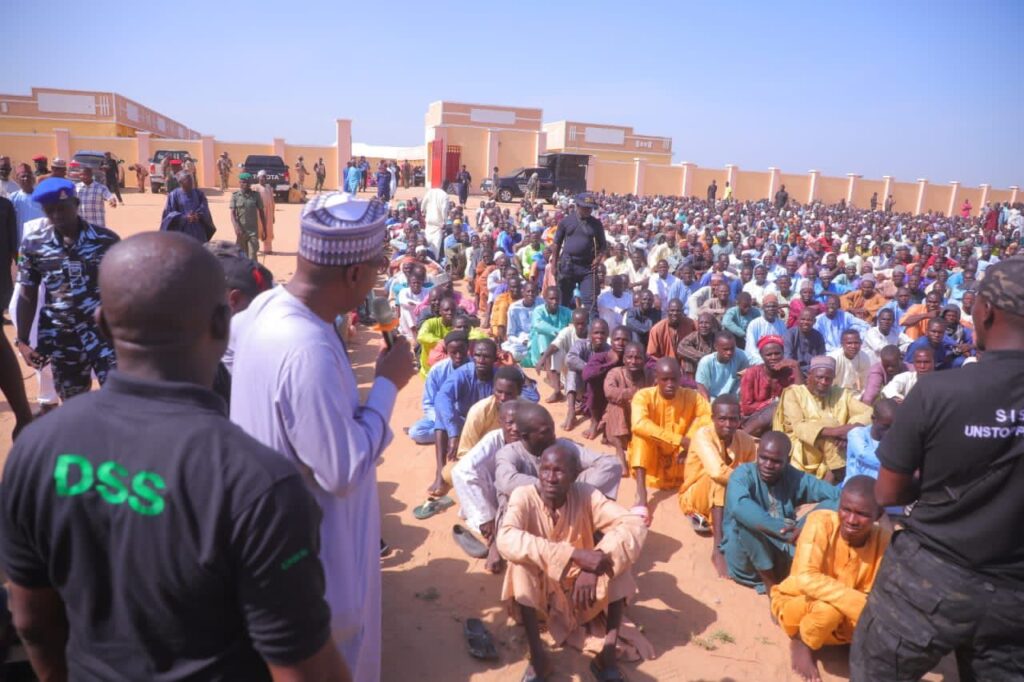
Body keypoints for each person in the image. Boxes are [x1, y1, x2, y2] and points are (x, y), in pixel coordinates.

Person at [0, 232, 349, 680]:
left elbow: (31, 622)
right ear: (224, 324)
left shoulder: (36, 449)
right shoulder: (259, 485)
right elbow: (304, 669)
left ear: (102, 323)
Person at [230, 192, 416, 682]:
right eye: (376, 266)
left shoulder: (264, 308)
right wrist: (385, 386)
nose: (378, 277)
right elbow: (342, 468)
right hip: (322, 562)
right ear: (355, 273)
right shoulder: (306, 347)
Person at [851, 259, 1024, 681]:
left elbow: (888, 494)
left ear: (983, 311)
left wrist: (941, 482)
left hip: (930, 580)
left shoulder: (935, 392)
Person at [497, 444, 649, 682]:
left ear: (574, 475)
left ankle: (607, 657)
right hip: (540, 602)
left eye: (559, 471)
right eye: (545, 469)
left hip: (582, 597)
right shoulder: (524, 496)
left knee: (616, 561)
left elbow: (633, 524)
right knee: (520, 565)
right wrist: (574, 555)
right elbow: (506, 539)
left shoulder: (586, 494)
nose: (550, 478)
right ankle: (538, 659)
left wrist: (596, 562)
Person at [770, 477, 890, 682]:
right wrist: (862, 606)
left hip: (847, 615)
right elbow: (806, 578)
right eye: (846, 509)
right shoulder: (820, 522)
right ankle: (802, 642)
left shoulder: (884, 541)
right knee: (829, 611)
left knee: (884, 626)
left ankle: (848, 640)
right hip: (800, 603)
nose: (851, 519)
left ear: (877, 515)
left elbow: (882, 592)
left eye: (862, 514)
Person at [15, 178, 119, 401]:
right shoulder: (33, 244)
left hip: (105, 336)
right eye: (49, 210)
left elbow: (125, 290)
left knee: (120, 401)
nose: (56, 215)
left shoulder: (106, 241)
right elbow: (27, 292)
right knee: (73, 404)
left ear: (76, 202)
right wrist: (22, 341)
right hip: (62, 339)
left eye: (62, 208)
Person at [721, 432, 840, 594]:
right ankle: (771, 588)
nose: (768, 465)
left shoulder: (793, 476)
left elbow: (838, 497)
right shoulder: (742, 475)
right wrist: (785, 533)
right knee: (748, 521)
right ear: (757, 454)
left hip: (784, 552)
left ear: (787, 460)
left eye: (776, 461)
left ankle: (799, 566)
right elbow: (739, 507)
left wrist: (804, 531)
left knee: (834, 506)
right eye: (763, 458)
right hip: (748, 563)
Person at [678, 395, 758, 574]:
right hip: (695, 496)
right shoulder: (702, 435)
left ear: (740, 419)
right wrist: (744, 483)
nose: (728, 424)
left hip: (731, 495)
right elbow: (717, 472)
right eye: (722, 419)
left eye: (733, 419)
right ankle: (718, 547)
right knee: (718, 481)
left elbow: (752, 474)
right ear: (713, 418)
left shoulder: (747, 441)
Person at [628, 357, 712, 523]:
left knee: (706, 435)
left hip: (679, 460)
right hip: (652, 462)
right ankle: (641, 494)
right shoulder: (643, 396)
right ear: (656, 379)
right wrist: (679, 440)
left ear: (681, 378)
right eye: (664, 379)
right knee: (640, 437)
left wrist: (687, 444)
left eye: (674, 379)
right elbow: (638, 424)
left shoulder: (692, 396)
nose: (670, 384)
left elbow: (708, 417)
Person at [772, 356, 872, 481]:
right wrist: (836, 431)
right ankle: (834, 480)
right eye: (819, 377)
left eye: (828, 379)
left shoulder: (840, 394)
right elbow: (799, 427)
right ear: (809, 375)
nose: (824, 382)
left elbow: (869, 412)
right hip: (802, 450)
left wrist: (849, 431)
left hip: (839, 445)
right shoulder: (793, 393)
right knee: (829, 430)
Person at [451, 399, 522, 573]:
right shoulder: (493, 438)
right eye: (510, 423)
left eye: (520, 423)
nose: (515, 428)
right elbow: (461, 470)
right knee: (462, 472)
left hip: (516, 495)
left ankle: (496, 538)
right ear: (501, 422)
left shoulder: (530, 438)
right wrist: (486, 518)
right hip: (493, 493)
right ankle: (493, 540)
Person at [432, 338, 500, 496]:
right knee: (441, 418)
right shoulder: (463, 373)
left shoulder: (500, 375)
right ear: (471, 355)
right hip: (464, 427)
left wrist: (521, 377)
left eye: (487, 356)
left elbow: (531, 397)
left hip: (489, 429)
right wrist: (453, 433)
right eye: (477, 355)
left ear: (495, 358)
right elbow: (442, 397)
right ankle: (439, 473)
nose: (481, 360)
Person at [551, 193, 607, 317]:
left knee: (590, 303)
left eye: (590, 208)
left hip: (587, 268)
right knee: (563, 301)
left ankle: (592, 332)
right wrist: (554, 264)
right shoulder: (566, 221)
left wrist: (598, 259)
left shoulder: (596, 224)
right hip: (568, 265)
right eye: (585, 207)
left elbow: (603, 246)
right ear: (577, 206)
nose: (588, 210)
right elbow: (556, 244)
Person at [739, 335, 802, 436]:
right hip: (752, 421)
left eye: (777, 354)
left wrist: (796, 367)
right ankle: (742, 437)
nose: (773, 358)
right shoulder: (752, 373)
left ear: (783, 353)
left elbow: (801, 397)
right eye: (769, 355)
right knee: (777, 406)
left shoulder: (789, 372)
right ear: (762, 356)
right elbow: (746, 408)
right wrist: (773, 402)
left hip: (782, 419)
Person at [603, 341, 650, 473]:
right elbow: (609, 392)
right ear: (623, 359)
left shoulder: (650, 375)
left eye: (638, 358)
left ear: (644, 360)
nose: (633, 361)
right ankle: (620, 453)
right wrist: (633, 394)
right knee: (617, 404)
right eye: (629, 357)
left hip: (640, 425)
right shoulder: (615, 373)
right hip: (618, 426)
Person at [530, 286, 573, 397]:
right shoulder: (538, 311)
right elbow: (538, 326)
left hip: (559, 349)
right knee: (542, 334)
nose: (554, 302)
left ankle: (557, 377)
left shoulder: (566, 312)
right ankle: (549, 375)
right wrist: (559, 332)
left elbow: (574, 327)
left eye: (557, 299)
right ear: (545, 298)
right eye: (551, 299)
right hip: (540, 351)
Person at [160, 170, 216, 243]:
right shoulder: (174, 195)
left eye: (191, 179)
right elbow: (169, 214)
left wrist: (198, 215)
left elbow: (204, 207)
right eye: (188, 180)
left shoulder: (199, 193)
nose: (191, 182)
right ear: (181, 183)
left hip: (198, 230)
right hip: (182, 230)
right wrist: (184, 217)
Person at [695, 331, 750, 399]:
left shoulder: (741, 357)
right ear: (716, 347)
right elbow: (702, 387)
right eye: (725, 349)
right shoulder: (706, 362)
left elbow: (741, 378)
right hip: (711, 399)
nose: (729, 352)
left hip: (733, 398)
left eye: (732, 348)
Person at [230, 173, 265, 260]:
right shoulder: (235, 196)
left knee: (252, 256)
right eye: (243, 182)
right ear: (239, 182)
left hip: (253, 232)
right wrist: (236, 227)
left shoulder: (256, 195)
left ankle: (254, 274)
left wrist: (265, 229)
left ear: (250, 183)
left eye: (247, 182)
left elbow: (261, 212)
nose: (245, 184)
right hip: (241, 232)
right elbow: (232, 214)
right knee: (241, 257)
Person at [828, 329, 872, 397]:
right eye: (849, 343)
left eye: (856, 343)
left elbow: (865, 383)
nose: (853, 346)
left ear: (860, 343)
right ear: (842, 344)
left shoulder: (864, 357)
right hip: (832, 394)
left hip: (853, 395)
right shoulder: (833, 359)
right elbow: (827, 383)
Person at [744, 294, 787, 362]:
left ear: (777, 308)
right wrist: (764, 362)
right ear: (763, 308)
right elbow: (751, 349)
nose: (771, 309)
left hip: (778, 360)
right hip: (759, 361)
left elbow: (785, 346)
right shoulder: (754, 324)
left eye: (774, 306)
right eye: (768, 306)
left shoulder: (781, 324)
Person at [677, 311, 719, 377]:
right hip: (695, 369)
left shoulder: (717, 337)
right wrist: (703, 357)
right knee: (687, 360)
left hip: (712, 368)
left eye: (707, 323)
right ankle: (690, 383)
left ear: (712, 325)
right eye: (701, 323)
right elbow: (680, 348)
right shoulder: (694, 336)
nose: (703, 326)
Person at [254, 170, 276, 253]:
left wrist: (273, 214)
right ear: (258, 178)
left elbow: (272, 201)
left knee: (268, 229)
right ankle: (254, 248)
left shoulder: (269, 187)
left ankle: (268, 249)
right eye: (261, 177)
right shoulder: (255, 187)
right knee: (258, 228)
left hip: (269, 212)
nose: (262, 178)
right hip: (258, 212)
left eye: (264, 177)